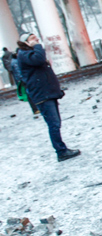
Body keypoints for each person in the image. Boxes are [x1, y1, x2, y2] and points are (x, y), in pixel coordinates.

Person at [16, 33, 81, 162]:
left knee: (55, 123)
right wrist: (38, 46)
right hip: (42, 95)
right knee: (54, 124)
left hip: (46, 93)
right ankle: (61, 152)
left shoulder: (28, 54)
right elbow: (39, 59)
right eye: (32, 39)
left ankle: (61, 150)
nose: (36, 40)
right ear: (25, 42)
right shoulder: (24, 54)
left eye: (36, 38)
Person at [10, 50, 39, 115]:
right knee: (30, 94)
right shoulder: (16, 62)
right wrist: (24, 79)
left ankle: (36, 108)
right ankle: (35, 109)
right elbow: (18, 72)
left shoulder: (14, 61)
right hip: (24, 80)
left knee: (30, 93)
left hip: (22, 79)